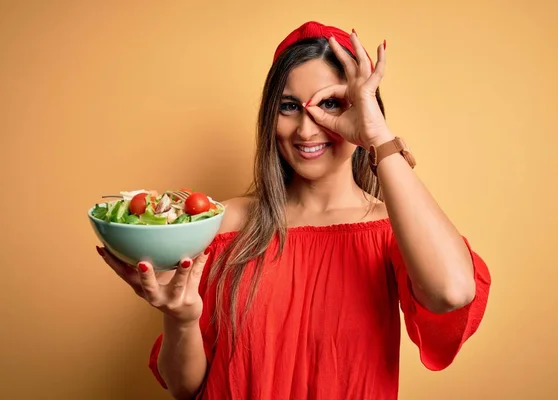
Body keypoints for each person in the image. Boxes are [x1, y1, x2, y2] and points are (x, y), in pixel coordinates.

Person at [97, 21, 492, 400]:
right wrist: (181, 318)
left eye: (331, 104)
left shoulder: (392, 233)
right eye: (289, 107)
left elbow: (453, 291)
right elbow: (185, 387)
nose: (306, 130)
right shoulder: (223, 225)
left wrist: (378, 136)